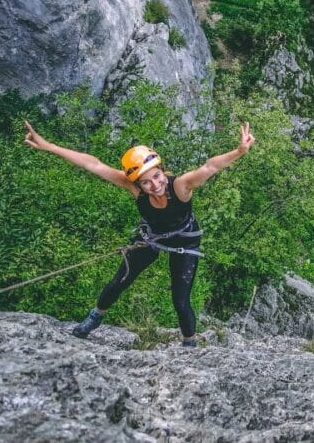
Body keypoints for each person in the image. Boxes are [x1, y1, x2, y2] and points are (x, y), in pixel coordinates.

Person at [23, 120, 255, 347]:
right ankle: (94, 318)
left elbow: (210, 166)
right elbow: (92, 164)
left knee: (180, 300)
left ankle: (189, 344)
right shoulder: (134, 187)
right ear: (138, 185)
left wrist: (239, 151)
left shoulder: (181, 186)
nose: (155, 185)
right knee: (120, 280)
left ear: (163, 171)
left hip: (185, 240)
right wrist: (50, 146)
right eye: (146, 183)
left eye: (156, 176)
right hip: (152, 237)